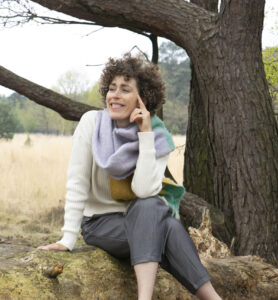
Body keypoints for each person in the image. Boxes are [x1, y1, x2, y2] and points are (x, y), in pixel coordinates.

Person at [38, 54, 221, 300]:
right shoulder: (92, 123)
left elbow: (144, 190)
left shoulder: (157, 137)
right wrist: (68, 237)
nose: (114, 95)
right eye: (112, 89)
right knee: (165, 222)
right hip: (100, 225)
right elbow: (77, 181)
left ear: (142, 99)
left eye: (124, 90)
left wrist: (145, 136)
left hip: (145, 219)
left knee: (153, 208)